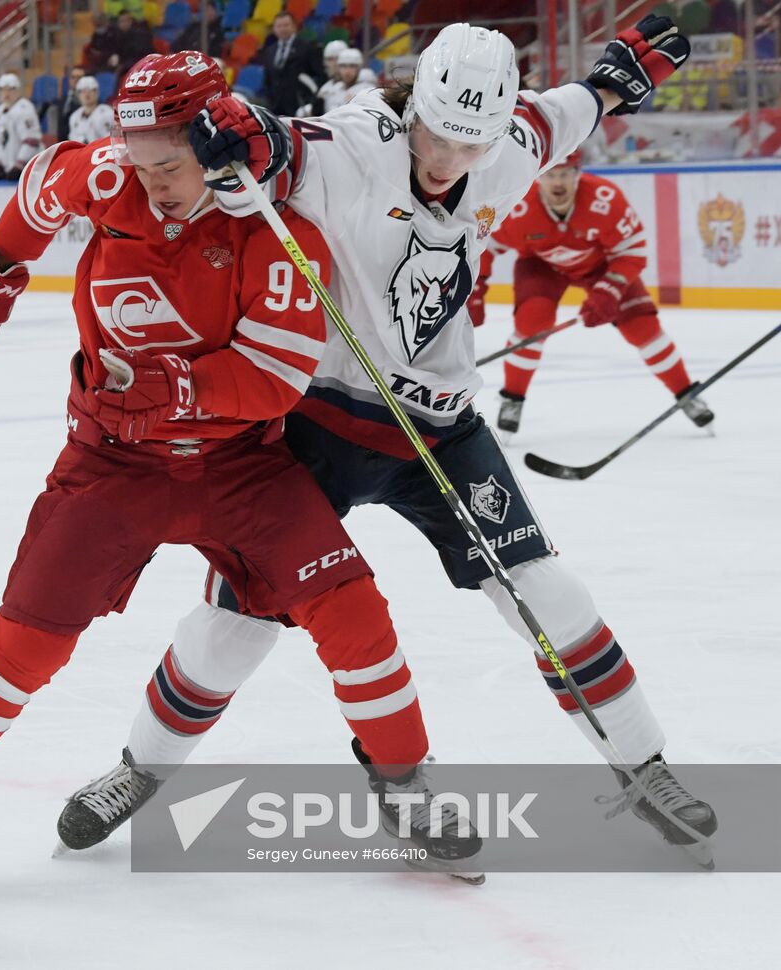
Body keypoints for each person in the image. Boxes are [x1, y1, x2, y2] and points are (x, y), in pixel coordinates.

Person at [58, 19, 718, 866]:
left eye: (470, 146)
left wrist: (615, 83)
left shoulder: (502, 145)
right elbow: (280, 145)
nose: (447, 160)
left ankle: (645, 768)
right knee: (242, 619)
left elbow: (565, 113)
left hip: (441, 434)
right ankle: (139, 768)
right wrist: (241, 132)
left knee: (545, 592)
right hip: (322, 429)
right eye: (437, 134)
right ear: (417, 105)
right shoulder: (356, 144)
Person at [0, 51, 481, 881]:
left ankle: (405, 783)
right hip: (113, 464)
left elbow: (274, 380)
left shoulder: (274, 225)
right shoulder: (113, 177)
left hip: (240, 466)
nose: (152, 185)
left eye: (171, 166)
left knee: (354, 611)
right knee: (28, 641)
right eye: (140, 165)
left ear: (216, 145)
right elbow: (44, 184)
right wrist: (0, 263)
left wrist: (173, 386)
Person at [474, 151, 714, 434]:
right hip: (541, 266)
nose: (558, 182)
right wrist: (475, 291)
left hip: (602, 266)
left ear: (578, 174)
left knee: (643, 329)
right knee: (531, 322)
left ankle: (687, 393)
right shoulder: (519, 204)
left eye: (565, 174)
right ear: (538, 177)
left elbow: (632, 250)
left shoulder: (604, 198)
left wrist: (608, 290)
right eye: (550, 175)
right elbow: (484, 245)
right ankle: (512, 398)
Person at [260, 12, 322, 117]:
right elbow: (268, 79)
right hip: (276, 106)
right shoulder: (270, 50)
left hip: (300, 105)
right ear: (274, 29)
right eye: (279, 26)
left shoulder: (307, 47)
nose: (282, 29)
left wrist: (312, 102)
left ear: (294, 27)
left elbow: (319, 75)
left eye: (286, 25)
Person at [0, 73, 42, 180]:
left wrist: (20, 164)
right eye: (3, 90)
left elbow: (31, 141)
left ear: (17, 90)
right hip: (9, 168)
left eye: (10, 90)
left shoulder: (25, 109)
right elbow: (2, 141)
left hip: (28, 169)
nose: (6, 93)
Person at [67, 76, 115, 145]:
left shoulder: (107, 113)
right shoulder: (74, 117)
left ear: (97, 92)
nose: (87, 94)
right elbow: (73, 141)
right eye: (83, 91)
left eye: (90, 90)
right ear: (78, 95)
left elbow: (110, 140)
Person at [111, 11, 156, 77]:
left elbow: (141, 56)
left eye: (126, 20)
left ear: (130, 21)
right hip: (128, 65)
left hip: (143, 65)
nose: (124, 23)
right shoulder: (119, 35)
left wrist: (122, 66)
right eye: (121, 21)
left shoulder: (139, 34)